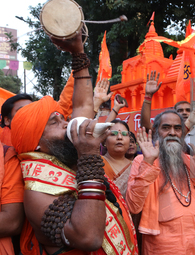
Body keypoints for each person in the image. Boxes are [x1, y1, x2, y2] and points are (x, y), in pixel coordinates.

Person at [10, 32, 138, 255]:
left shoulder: (65, 157)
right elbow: (88, 237)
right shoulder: (37, 189)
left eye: (62, 117)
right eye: (55, 121)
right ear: (37, 143)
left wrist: (78, 52)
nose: (65, 122)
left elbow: (81, 105)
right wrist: (89, 155)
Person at [126, 110, 195, 254]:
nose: (172, 133)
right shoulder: (143, 161)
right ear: (156, 131)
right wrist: (148, 162)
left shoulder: (190, 161)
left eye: (177, 128)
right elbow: (133, 206)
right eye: (166, 128)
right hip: (161, 244)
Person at [102, 120, 132, 198]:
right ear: (104, 141)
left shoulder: (135, 166)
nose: (119, 137)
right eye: (113, 134)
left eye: (124, 134)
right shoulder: (97, 163)